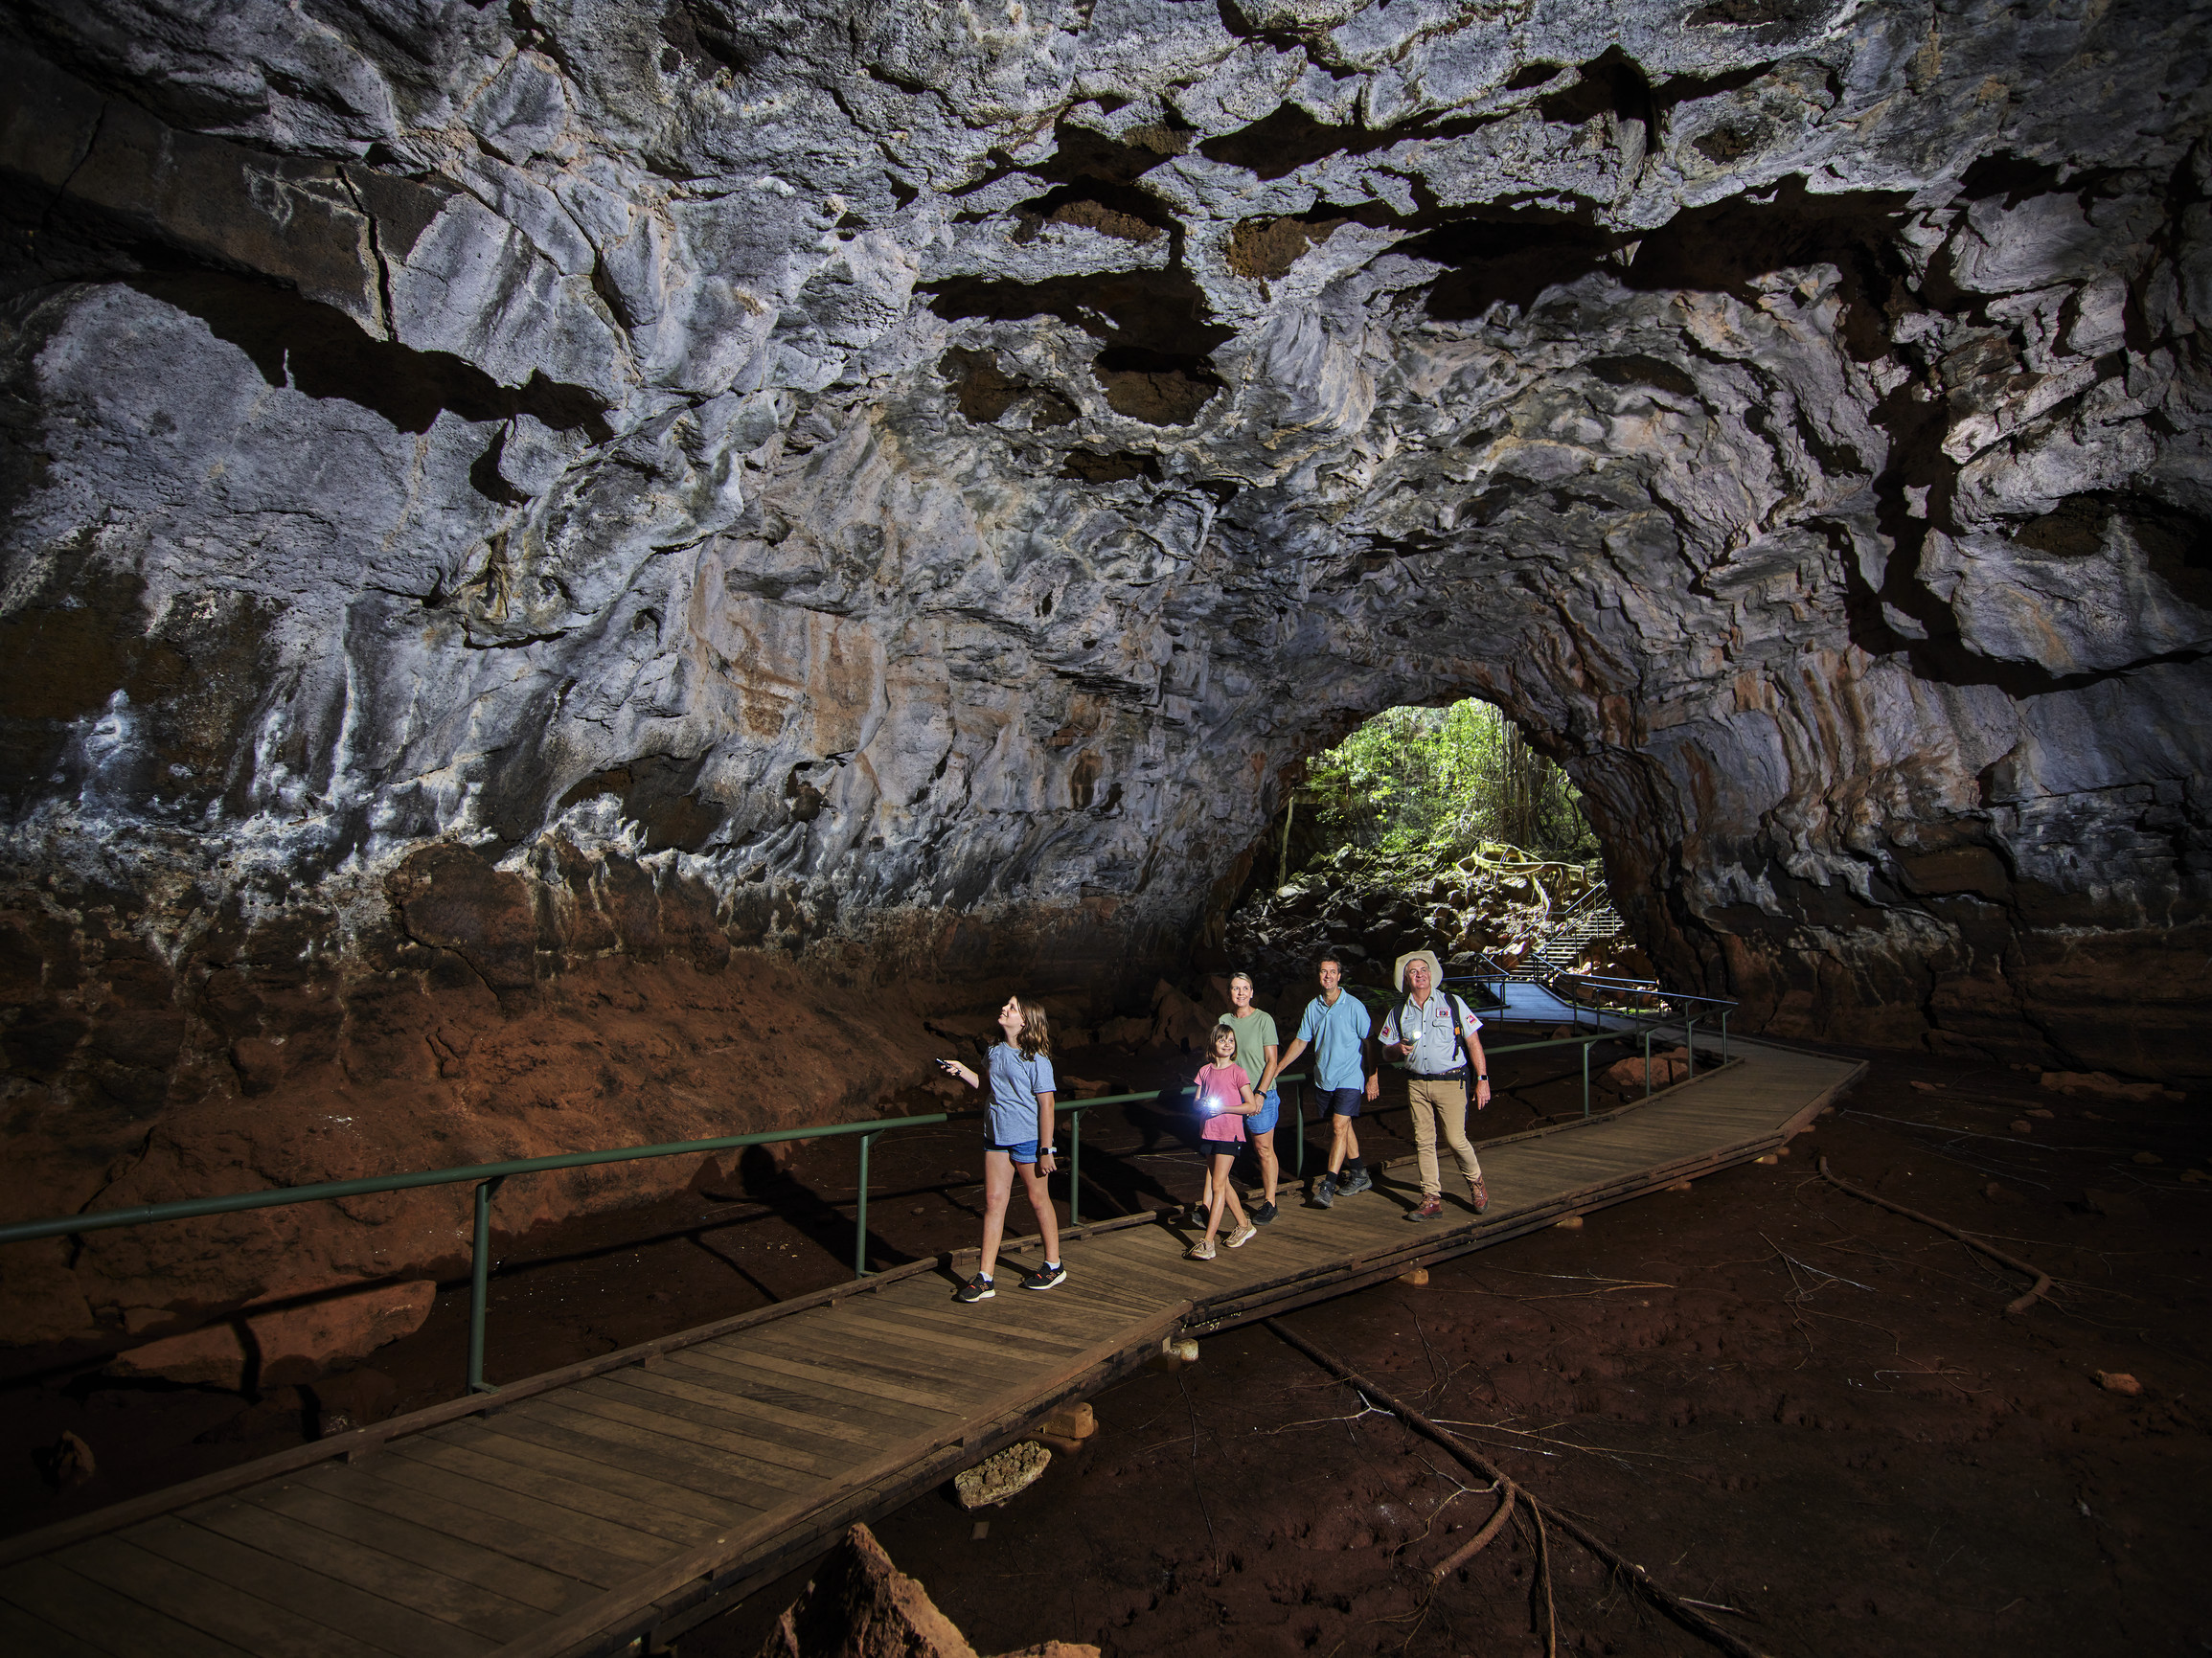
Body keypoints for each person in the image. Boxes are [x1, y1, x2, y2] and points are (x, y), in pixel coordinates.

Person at [939, 996, 1066, 1301]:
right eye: (1006, 1005)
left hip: (1027, 1140)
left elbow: (1047, 1104)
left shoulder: (1037, 1059)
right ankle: (985, 1278)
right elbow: (987, 1087)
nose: (1005, 1009)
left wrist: (1046, 1149)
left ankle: (1053, 1265)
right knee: (994, 1203)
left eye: (1012, 1008)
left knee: (1038, 1201)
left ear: (1025, 1022)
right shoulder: (994, 1051)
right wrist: (962, 1072)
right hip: (995, 1137)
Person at [1379, 949, 1493, 1218]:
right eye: (1413, 972)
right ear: (1406, 979)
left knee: (1456, 1139)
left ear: (1431, 975)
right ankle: (1431, 1198)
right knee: (1424, 1142)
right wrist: (1397, 1049)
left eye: (1423, 970)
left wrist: (1483, 1080)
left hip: (1451, 1082)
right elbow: (1386, 1051)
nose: (1419, 975)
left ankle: (1476, 1183)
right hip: (1416, 1084)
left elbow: (1473, 1042)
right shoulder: (1399, 1011)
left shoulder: (1452, 1003)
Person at [1260, 951, 1377, 1207]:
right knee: (1343, 1126)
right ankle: (1359, 1174)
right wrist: (1278, 1067)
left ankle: (1328, 1185)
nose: (1328, 976)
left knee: (1337, 1127)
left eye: (1332, 971)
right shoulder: (1314, 1007)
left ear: (1339, 976)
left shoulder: (1354, 1006)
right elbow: (1302, 1041)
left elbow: (1370, 1042)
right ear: (1319, 976)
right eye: (1324, 971)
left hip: (1349, 1076)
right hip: (1324, 1078)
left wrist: (1372, 1076)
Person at [1208, 971, 1281, 1223]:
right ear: (1229, 993)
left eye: (1245, 988)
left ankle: (1270, 1202)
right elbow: (1219, 1055)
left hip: (1261, 1094)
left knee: (1263, 1148)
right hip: (1232, 1096)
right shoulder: (1224, 1019)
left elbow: (1272, 1061)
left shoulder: (1263, 1020)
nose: (1240, 993)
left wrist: (1260, 1093)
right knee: (1219, 1150)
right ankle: (1207, 1207)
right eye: (1236, 989)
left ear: (1252, 992)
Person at [1187, 1023, 1260, 1259]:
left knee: (1217, 1185)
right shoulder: (1205, 1071)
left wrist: (1224, 1108)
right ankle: (1243, 1224)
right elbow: (1196, 1101)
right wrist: (1204, 1106)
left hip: (1230, 1133)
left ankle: (1208, 1243)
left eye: (1230, 1040)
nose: (1227, 1044)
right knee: (1222, 1181)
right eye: (1222, 1040)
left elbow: (1250, 1105)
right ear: (1213, 1044)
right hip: (1209, 1131)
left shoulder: (1238, 1072)